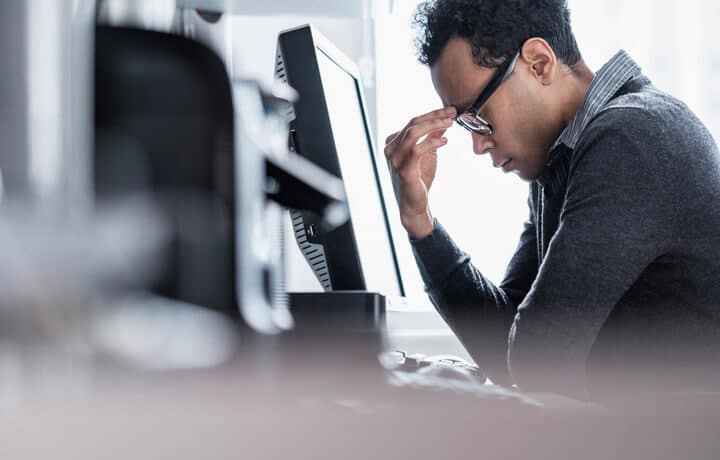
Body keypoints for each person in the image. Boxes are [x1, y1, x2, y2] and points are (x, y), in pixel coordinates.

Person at [384, 0, 720, 398]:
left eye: (479, 116)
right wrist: (419, 221)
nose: (477, 144)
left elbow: (535, 362)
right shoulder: (563, 158)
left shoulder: (631, 138)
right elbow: (507, 349)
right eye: (465, 124)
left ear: (539, 63)